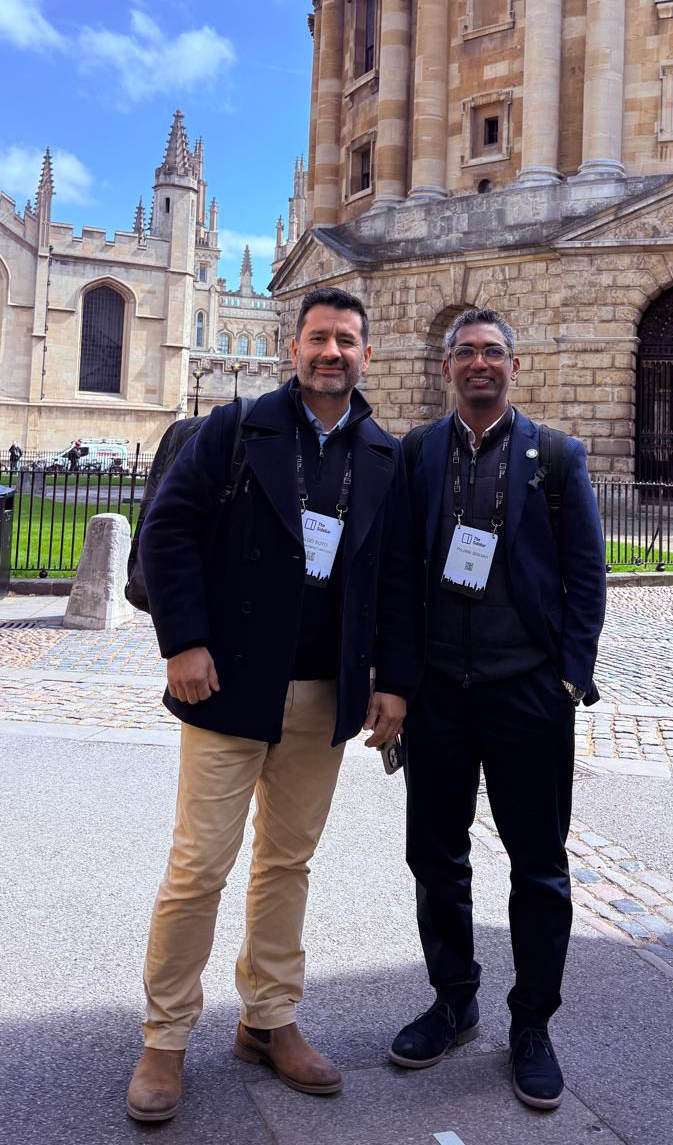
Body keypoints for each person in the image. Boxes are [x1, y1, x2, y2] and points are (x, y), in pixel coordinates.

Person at [126, 286, 418, 1125]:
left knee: (287, 864)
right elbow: (169, 530)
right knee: (198, 869)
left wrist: (392, 680)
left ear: (367, 355)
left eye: (348, 341)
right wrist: (183, 641)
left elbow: (394, 577)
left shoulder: (381, 454)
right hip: (226, 685)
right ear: (294, 348)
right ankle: (166, 1037)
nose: (333, 353)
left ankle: (268, 1019)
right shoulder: (236, 427)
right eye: (320, 338)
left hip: (325, 693)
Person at [390, 307, 606, 1111]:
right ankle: (454, 999)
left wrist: (566, 681)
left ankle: (532, 1024)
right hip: (440, 693)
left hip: (528, 694)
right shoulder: (418, 454)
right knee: (435, 856)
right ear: (447, 368)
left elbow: (587, 577)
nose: (480, 365)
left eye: (493, 353)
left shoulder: (555, 456)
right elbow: (395, 572)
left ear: (515, 367)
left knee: (540, 869)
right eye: (466, 353)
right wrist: (399, 678)